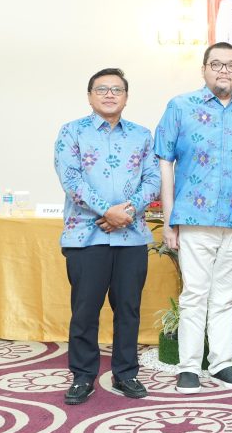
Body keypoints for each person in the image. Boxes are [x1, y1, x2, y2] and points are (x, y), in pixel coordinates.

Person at [154, 42, 232, 394]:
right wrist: (169, 219)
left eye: (231, 65)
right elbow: (165, 162)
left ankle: (222, 364)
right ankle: (189, 368)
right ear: (204, 69)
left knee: (225, 296)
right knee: (194, 294)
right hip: (194, 217)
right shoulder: (180, 106)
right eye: (217, 64)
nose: (224, 71)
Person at [54, 68, 160, 406]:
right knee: (85, 310)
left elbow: (153, 179)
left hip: (131, 237)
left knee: (128, 308)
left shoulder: (142, 136)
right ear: (89, 96)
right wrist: (107, 211)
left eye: (117, 89)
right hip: (86, 236)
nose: (110, 94)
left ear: (126, 97)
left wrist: (126, 212)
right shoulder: (71, 132)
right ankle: (82, 376)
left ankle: (125, 373)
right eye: (102, 89)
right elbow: (71, 179)